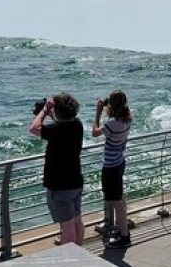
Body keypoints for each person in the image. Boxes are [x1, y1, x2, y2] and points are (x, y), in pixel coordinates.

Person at [29, 92, 85, 246]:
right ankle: (80, 253)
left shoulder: (56, 129)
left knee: (67, 226)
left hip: (60, 185)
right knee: (77, 222)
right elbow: (61, 123)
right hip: (75, 181)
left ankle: (71, 258)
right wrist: (51, 112)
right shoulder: (77, 125)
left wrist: (45, 110)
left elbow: (34, 128)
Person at [92, 90, 133, 248]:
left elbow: (95, 133)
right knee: (119, 199)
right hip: (119, 162)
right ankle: (122, 229)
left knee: (116, 202)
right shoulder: (127, 119)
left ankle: (124, 236)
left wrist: (98, 113)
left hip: (110, 166)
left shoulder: (111, 124)